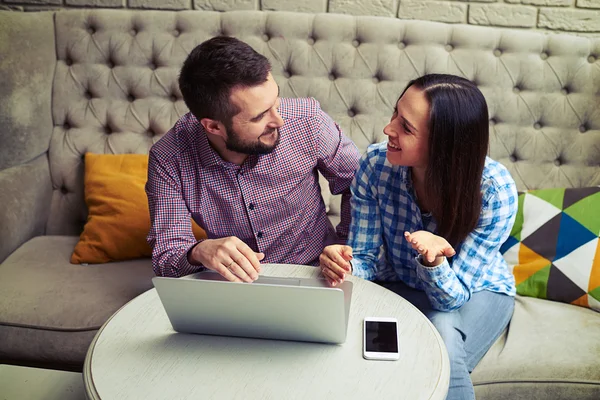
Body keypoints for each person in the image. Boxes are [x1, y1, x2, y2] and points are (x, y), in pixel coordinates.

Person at [319, 74, 518, 400]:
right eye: (395, 113)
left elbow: (451, 299)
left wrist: (435, 260)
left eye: (406, 128)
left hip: (476, 290)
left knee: (442, 340)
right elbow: (365, 256)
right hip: (399, 282)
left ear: (445, 145)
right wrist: (343, 264)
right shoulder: (375, 164)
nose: (388, 130)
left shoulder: (494, 190)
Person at [146, 36, 360, 281]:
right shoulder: (168, 159)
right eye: (260, 116)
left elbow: (360, 185)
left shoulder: (308, 120)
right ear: (213, 126)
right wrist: (198, 251)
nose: (279, 120)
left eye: (276, 101)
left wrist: (346, 248)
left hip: (317, 273)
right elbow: (166, 257)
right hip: (234, 284)